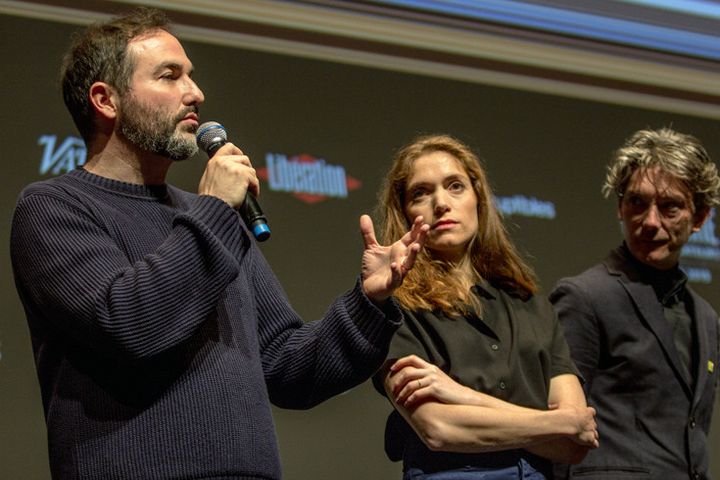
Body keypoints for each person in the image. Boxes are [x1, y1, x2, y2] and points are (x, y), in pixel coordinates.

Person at [9, 7, 429, 480]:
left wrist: (367, 303)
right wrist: (214, 210)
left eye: (191, 76)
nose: (196, 93)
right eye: (170, 76)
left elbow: (287, 365)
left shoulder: (207, 217)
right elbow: (131, 323)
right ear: (106, 100)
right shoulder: (55, 208)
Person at [371, 134, 599, 480]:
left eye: (455, 186)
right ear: (404, 213)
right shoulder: (392, 307)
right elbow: (439, 429)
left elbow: (573, 443)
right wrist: (554, 422)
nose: (441, 203)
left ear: (479, 199)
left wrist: (460, 395)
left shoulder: (532, 304)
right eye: (421, 193)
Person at [550, 127, 720, 480]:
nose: (650, 222)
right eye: (637, 203)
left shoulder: (706, 318)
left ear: (700, 217)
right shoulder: (585, 296)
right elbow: (560, 428)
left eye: (670, 207)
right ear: (620, 207)